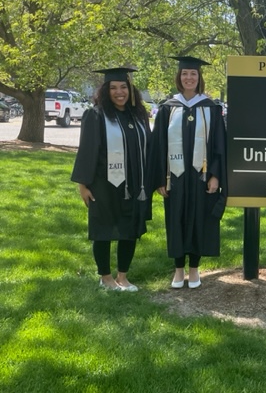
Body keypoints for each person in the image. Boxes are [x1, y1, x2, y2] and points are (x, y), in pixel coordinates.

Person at [150, 56, 227, 289]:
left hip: (201, 177)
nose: (189, 78)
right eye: (185, 74)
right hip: (175, 178)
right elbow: (158, 146)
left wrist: (215, 175)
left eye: (193, 74)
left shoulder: (211, 108)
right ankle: (178, 270)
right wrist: (159, 178)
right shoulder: (167, 108)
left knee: (199, 220)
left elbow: (219, 144)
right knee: (175, 220)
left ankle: (194, 269)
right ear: (179, 77)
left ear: (199, 77)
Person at [71, 67, 152, 291]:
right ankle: (106, 278)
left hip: (134, 183)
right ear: (106, 91)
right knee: (103, 230)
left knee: (130, 229)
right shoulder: (96, 115)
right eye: (114, 88)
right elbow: (87, 150)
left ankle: (122, 277)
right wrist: (83, 185)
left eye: (123, 87)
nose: (119, 92)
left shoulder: (138, 115)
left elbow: (148, 147)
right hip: (103, 184)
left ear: (130, 90)